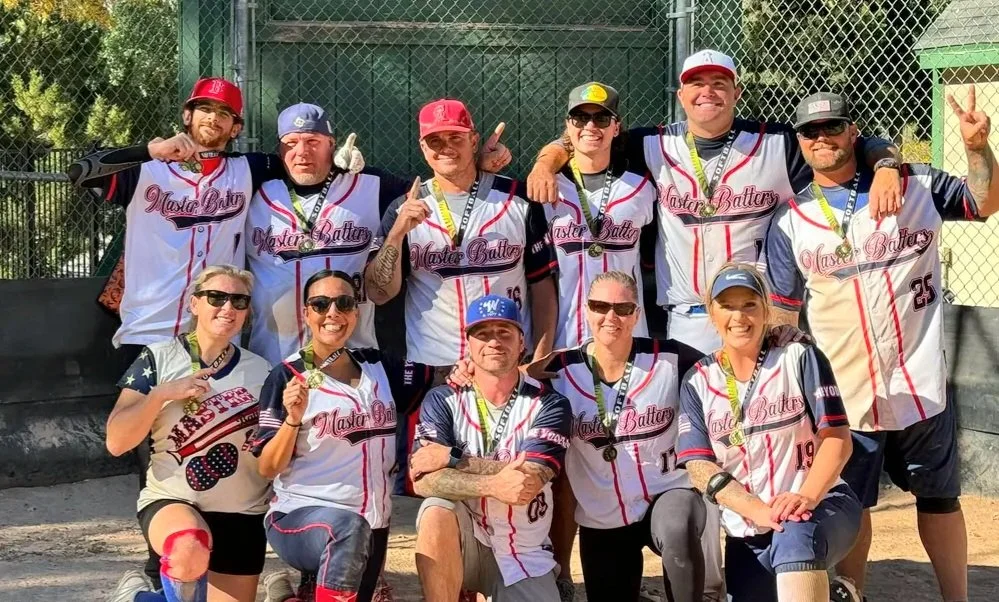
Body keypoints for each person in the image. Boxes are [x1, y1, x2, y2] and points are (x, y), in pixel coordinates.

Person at [525, 51, 900, 598]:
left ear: (737, 91)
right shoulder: (654, 145)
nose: (708, 92)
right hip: (680, 319)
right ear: (680, 95)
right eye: (696, 83)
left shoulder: (773, 142)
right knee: (692, 450)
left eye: (720, 83)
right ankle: (710, 578)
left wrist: (886, 162)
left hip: (750, 316)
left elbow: (840, 147)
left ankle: (797, 556)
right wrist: (544, 158)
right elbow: (583, 141)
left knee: (760, 435)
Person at [764, 89, 999, 602]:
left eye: (833, 127)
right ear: (800, 143)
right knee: (854, 502)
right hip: (846, 389)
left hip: (919, 380)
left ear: (854, 132)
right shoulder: (789, 222)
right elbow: (783, 310)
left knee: (939, 499)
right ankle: (853, 593)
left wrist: (978, 148)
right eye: (811, 131)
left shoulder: (915, 185)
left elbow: (984, 202)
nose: (822, 138)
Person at [246, 102, 513, 365]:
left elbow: (441, 185)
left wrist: (475, 164)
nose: (302, 152)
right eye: (291, 143)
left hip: (356, 357)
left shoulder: (371, 184)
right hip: (272, 355)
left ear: (332, 145)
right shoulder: (253, 190)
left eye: (313, 141)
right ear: (280, 150)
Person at [251, 269, 441, 602]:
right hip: (301, 517)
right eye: (321, 304)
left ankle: (285, 597)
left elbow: (441, 379)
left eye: (344, 303)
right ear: (306, 313)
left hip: (374, 522)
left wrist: (499, 368)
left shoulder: (378, 365)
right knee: (346, 528)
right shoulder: (287, 375)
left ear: (356, 312)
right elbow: (267, 468)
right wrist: (292, 421)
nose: (333, 313)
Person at [677, 263, 861, 602]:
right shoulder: (697, 382)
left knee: (796, 536)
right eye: (727, 305)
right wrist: (759, 510)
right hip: (750, 528)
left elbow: (838, 439)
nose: (739, 316)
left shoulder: (798, 356)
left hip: (821, 504)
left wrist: (805, 496)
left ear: (766, 310)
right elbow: (700, 469)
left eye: (749, 304)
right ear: (711, 314)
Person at [104, 264, 272, 602]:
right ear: (194, 304)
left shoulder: (262, 370)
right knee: (188, 549)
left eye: (239, 301)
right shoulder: (159, 358)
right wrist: (161, 394)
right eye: (216, 297)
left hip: (242, 510)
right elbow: (116, 441)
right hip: (175, 500)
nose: (228, 308)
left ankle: (138, 598)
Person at [536, 271, 707, 602]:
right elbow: (508, 382)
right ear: (586, 310)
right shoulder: (561, 369)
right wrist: (467, 372)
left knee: (677, 528)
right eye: (600, 306)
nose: (610, 317)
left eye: (622, 308)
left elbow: (729, 364)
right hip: (604, 514)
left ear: (637, 314)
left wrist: (775, 337)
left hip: (668, 493)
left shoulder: (669, 358)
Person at [364, 98, 558, 368]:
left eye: (456, 137)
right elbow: (378, 293)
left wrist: (540, 358)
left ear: (474, 140)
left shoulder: (518, 199)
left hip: (508, 364)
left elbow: (542, 286)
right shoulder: (404, 209)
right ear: (422, 147)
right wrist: (396, 234)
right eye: (435, 141)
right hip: (434, 369)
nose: (446, 148)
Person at [409, 294, 572, 602]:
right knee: (435, 510)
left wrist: (451, 458)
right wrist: (493, 483)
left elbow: (529, 480)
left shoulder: (551, 403)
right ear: (468, 345)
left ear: (521, 342)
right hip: (467, 541)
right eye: (483, 334)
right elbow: (424, 480)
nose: (494, 342)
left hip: (523, 552)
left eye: (504, 332)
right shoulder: (441, 399)